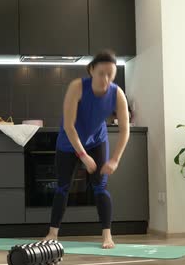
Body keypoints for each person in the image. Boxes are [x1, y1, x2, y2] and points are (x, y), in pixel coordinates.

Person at [43, 50, 130, 249]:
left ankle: (107, 236)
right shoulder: (77, 87)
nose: (106, 79)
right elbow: (69, 126)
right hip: (69, 142)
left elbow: (125, 130)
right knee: (63, 187)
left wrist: (115, 159)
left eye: (111, 74)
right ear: (91, 70)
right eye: (101, 73)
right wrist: (82, 155)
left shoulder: (117, 94)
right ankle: (52, 233)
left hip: (96, 140)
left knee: (100, 186)